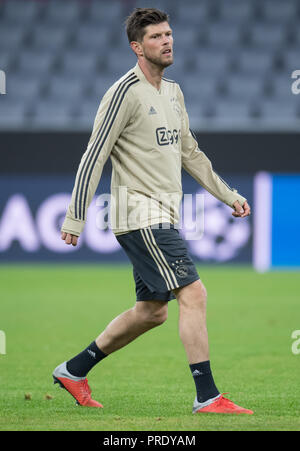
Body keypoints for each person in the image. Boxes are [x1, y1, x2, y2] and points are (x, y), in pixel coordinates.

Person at [53, 8, 253, 414]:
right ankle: (207, 396)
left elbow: (190, 153)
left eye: (169, 34)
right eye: (157, 36)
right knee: (194, 294)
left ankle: (73, 371)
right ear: (137, 47)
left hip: (165, 213)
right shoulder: (124, 92)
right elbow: (94, 156)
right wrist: (75, 216)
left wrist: (229, 195)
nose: (167, 41)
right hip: (139, 214)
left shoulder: (174, 93)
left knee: (152, 312)